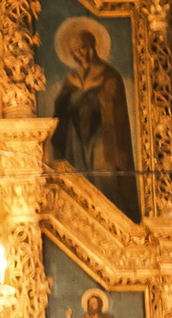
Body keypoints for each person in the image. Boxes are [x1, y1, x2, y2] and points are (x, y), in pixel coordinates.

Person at [46, 21, 139, 219]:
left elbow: (114, 106)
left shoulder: (109, 75)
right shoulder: (72, 78)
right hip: (75, 137)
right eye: (75, 51)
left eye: (83, 48)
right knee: (78, 172)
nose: (80, 54)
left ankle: (113, 214)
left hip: (103, 134)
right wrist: (77, 95)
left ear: (92, 47)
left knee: (105, 173)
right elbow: (61, 106)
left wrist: (95, 92)